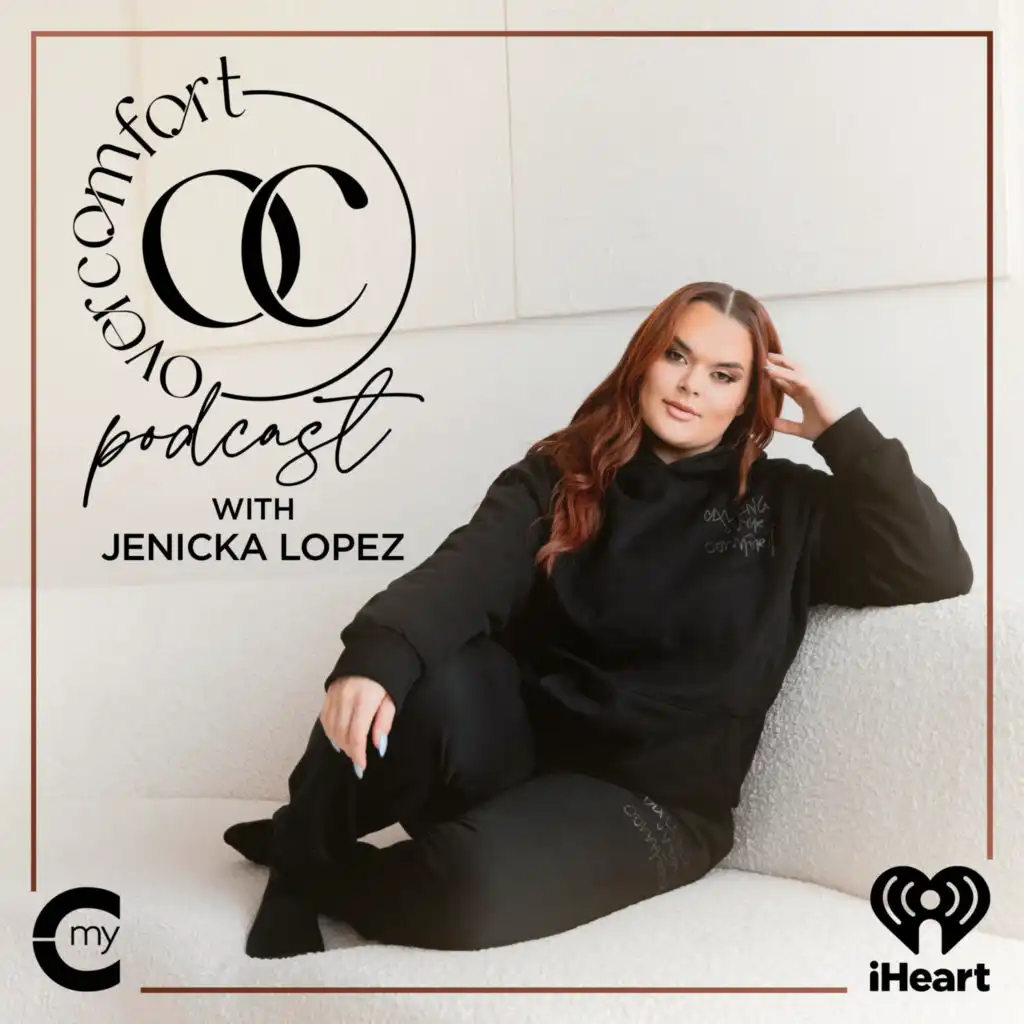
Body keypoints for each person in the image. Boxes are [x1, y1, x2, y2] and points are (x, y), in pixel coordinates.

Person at [224, 281, 974, 959]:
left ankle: (316, 863)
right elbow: (466, 571)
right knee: (418, 664)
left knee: (465, 893)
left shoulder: (788, 507)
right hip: (514, 754)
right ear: (643, 362)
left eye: (724, 374)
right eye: (677, 356)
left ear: (753, 399)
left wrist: (842, 431)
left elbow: (935, 566)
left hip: (651, 805)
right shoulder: (562, 474)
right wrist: (376, 654)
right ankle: (302, 852)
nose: (691, 384)